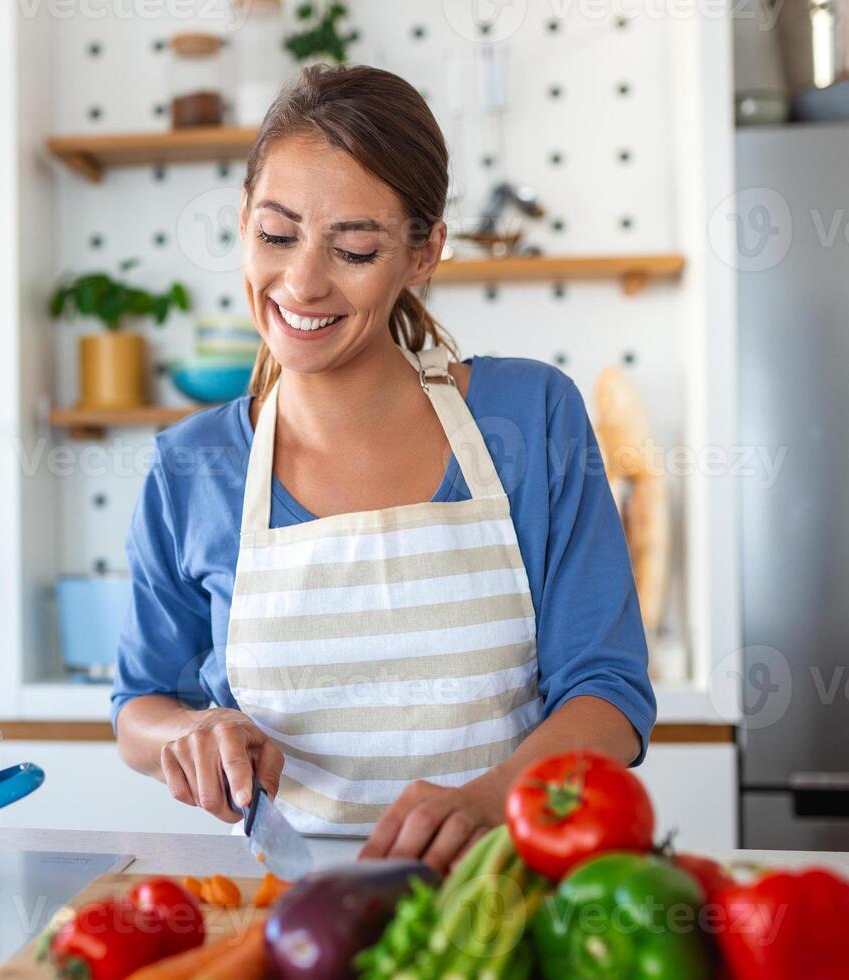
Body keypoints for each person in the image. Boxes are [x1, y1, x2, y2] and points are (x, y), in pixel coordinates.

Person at [111, 64, 655, 875]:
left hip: (497, 904)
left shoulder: (529, 418)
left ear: (424, 251)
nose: (301, 283)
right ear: (242, 225)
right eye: (276, 234)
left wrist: (486, 802)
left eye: (355, 248)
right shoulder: (193, 467)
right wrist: (188, 734)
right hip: (289, 921)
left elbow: (609, 696)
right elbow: (138, 708)